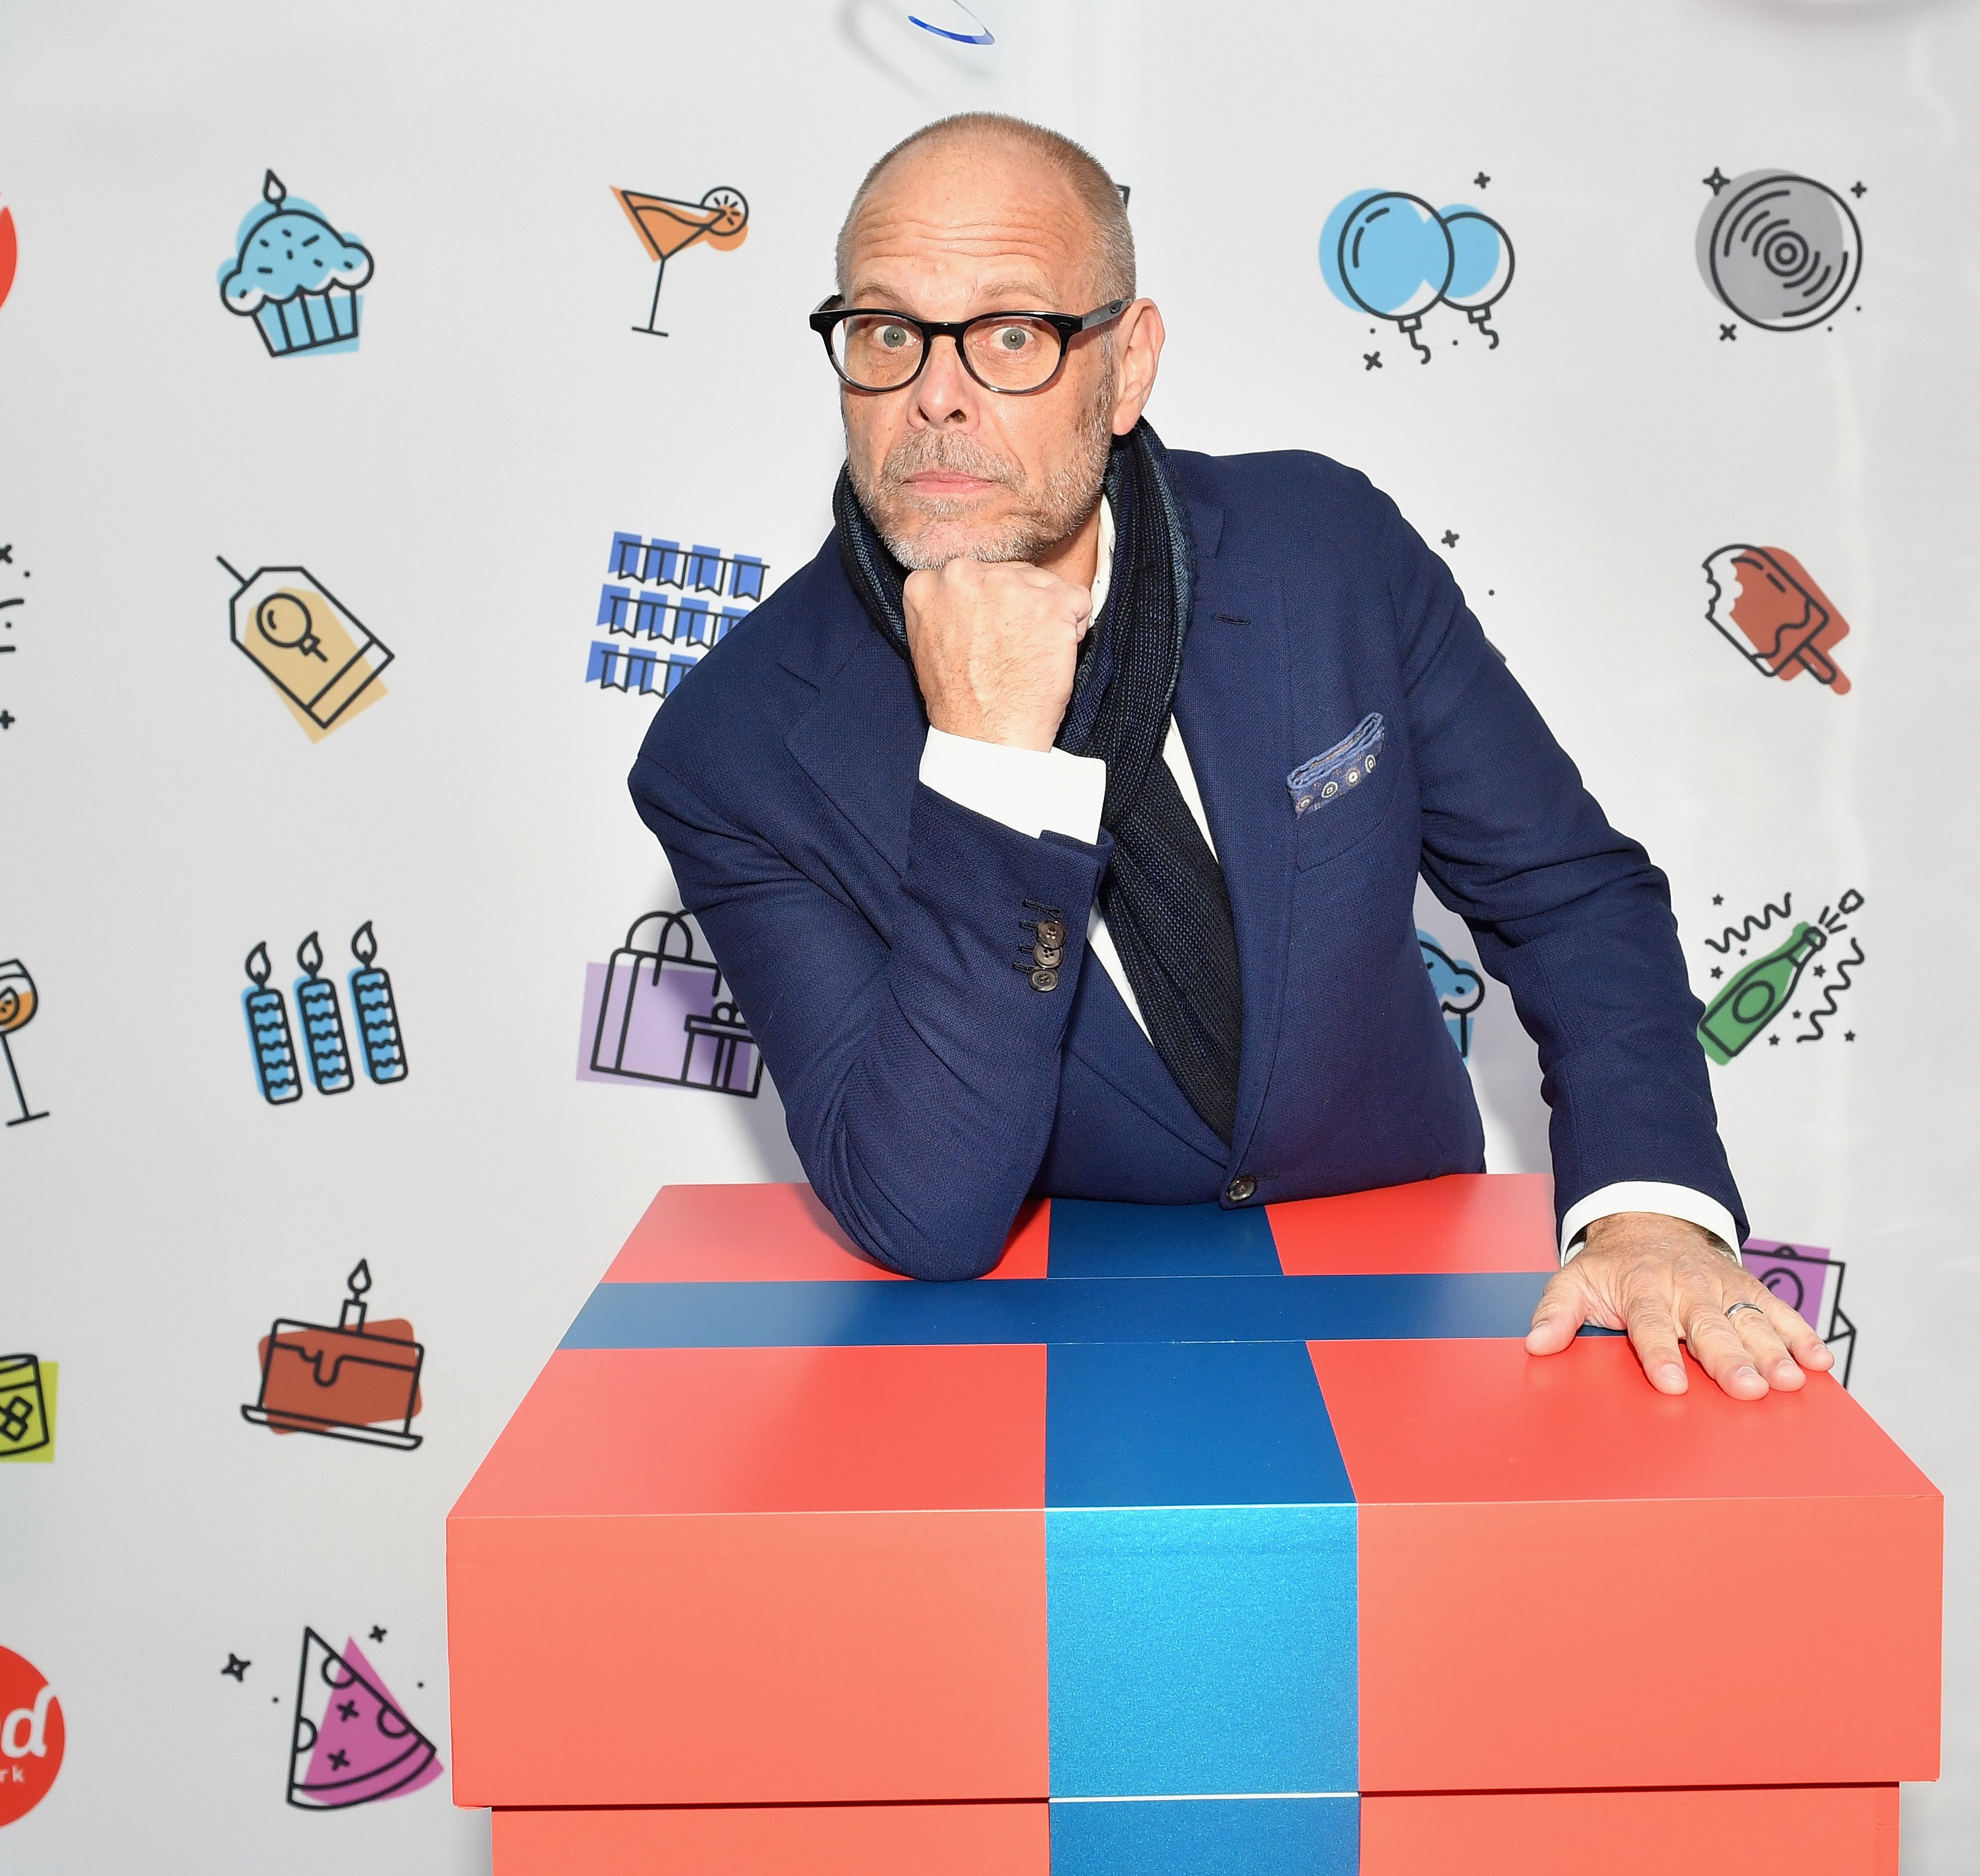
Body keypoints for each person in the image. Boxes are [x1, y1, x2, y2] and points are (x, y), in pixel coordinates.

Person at [631, 113, 1831, 1403]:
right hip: (1052, 1369)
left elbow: (1570, 895)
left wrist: (1647, 1206)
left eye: (1013, 335)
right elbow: (922, 1212)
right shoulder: (736, 748)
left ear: (1128, 364)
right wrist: (987, 767)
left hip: (1418, 1315)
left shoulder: (1324, 548)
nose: (936, 394)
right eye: (886, 334)